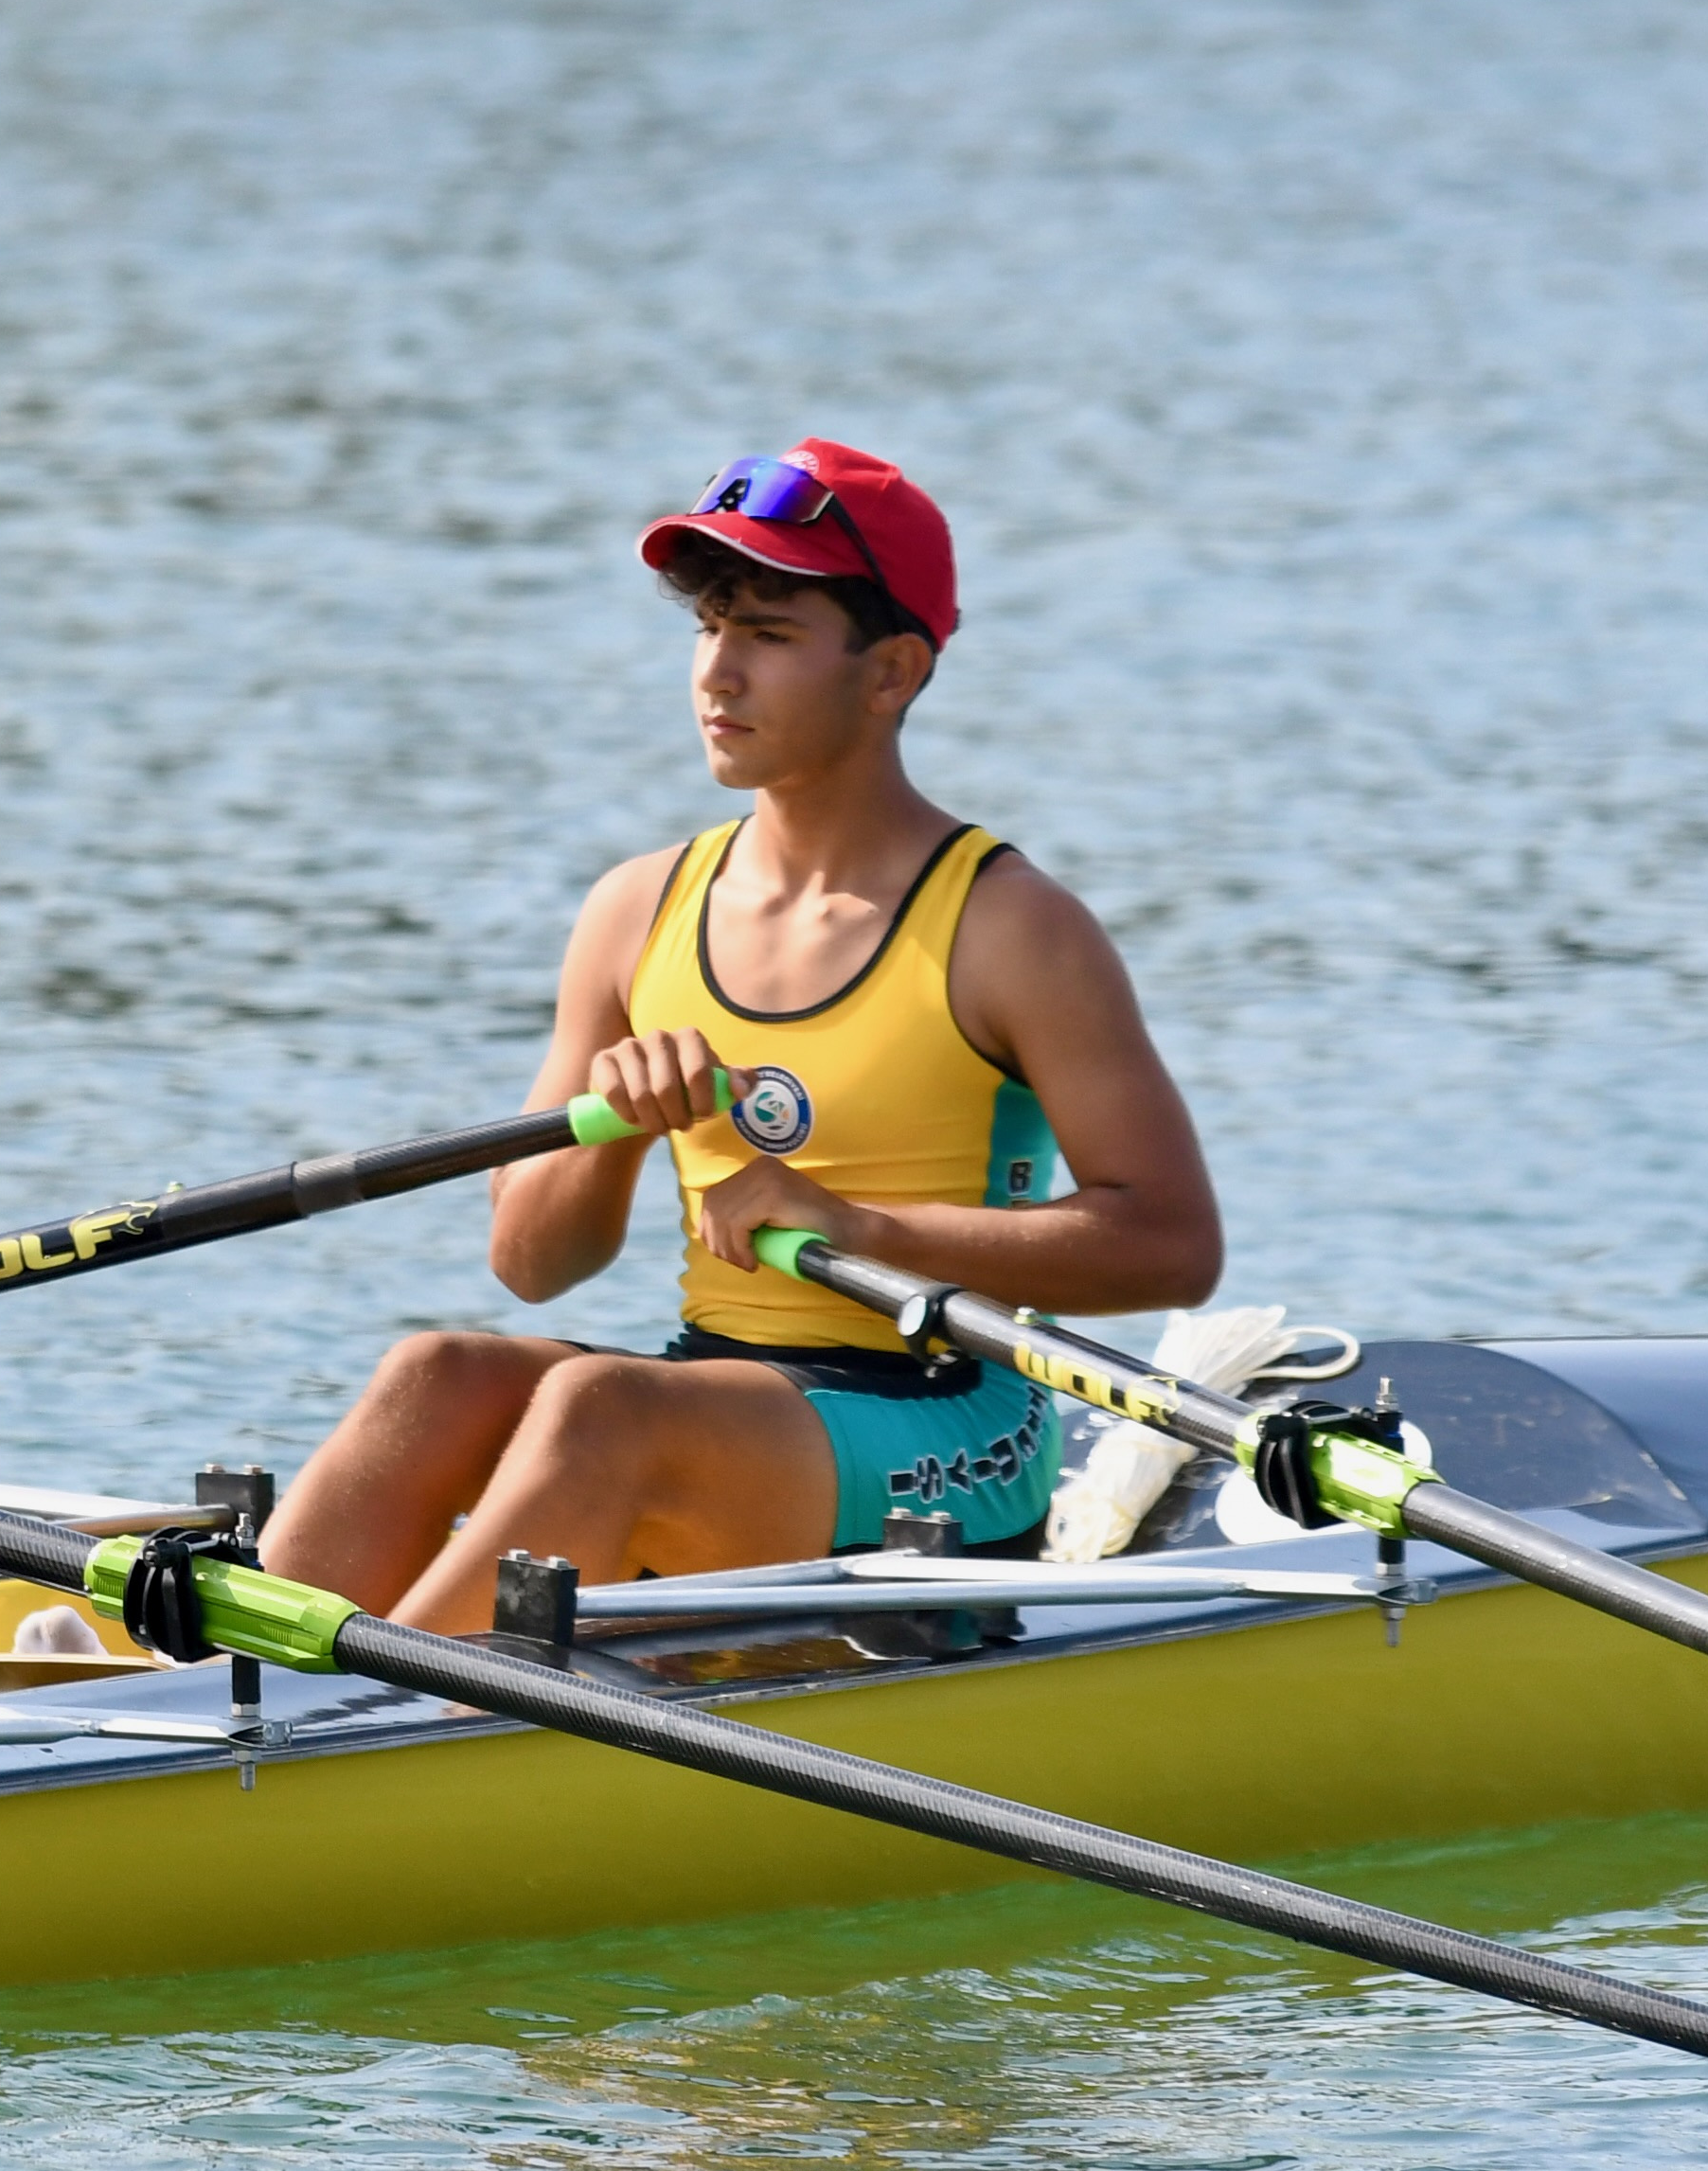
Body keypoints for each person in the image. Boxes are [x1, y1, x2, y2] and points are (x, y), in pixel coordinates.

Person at [261, 443, 1224, 1632]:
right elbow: (531, 1262)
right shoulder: (636, 909)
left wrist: (868, 1228)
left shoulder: (1012, 929)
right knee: (434, 1376)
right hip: (726, 1384)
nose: (719, 673)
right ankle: (211, 1689)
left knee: (600, 1407)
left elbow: (1172, 1245)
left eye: (769, 633)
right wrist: (612, 1124)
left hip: (950, 1421)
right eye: (710, 628)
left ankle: (337, 1725)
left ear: (891, 673)